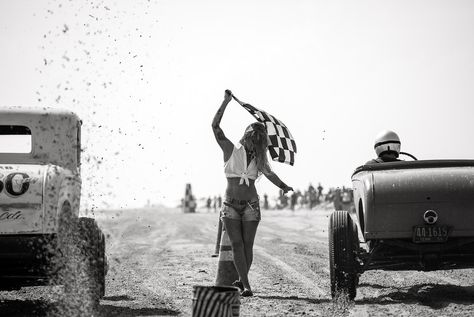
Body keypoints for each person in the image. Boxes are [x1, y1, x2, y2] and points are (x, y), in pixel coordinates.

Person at [212, 89, 293, 297]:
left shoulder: (259, 159)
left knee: (247, 246)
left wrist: (283, 186)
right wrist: (225, 102)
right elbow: (215, 127)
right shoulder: (231, 150)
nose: (255, 142)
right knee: (237, 245)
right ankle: (246, 285)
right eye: (253, 138)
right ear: (246, 136)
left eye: (259, 140)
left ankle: (243, 280)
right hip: (230, 205)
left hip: (251, 206)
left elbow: (270, 174)